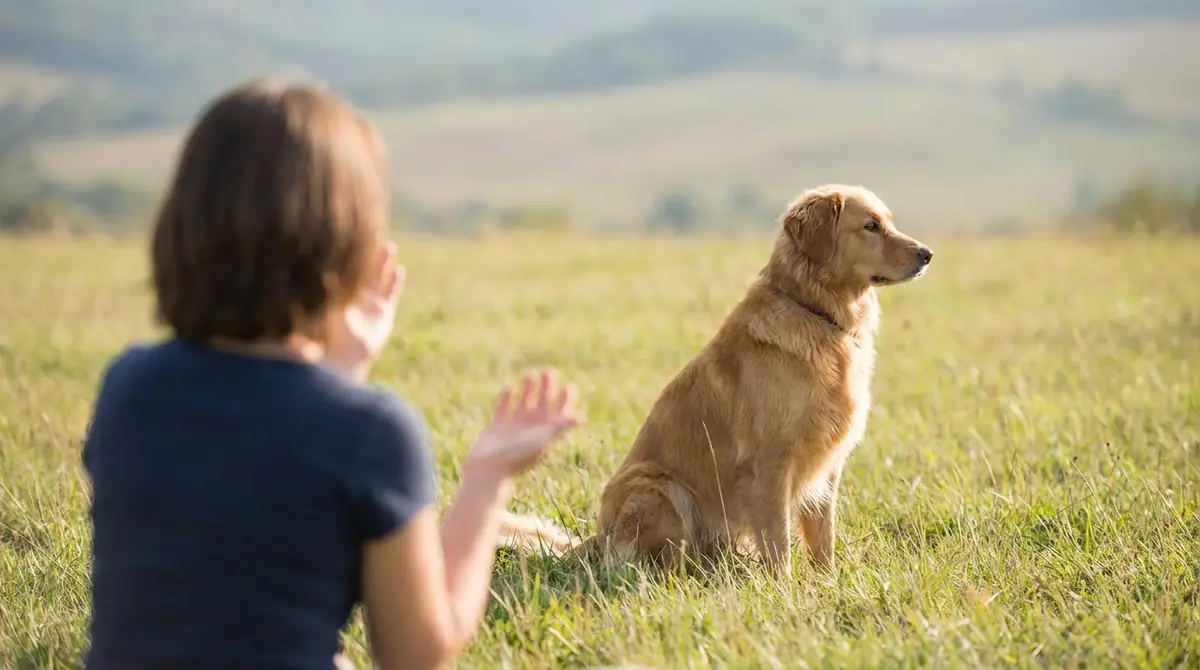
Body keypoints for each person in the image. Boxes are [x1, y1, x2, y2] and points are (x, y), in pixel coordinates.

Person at [80, 77, 583, 670]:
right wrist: (487, 478)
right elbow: (417, 654)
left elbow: (238, 521)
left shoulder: (129, 388)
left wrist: (341, 374)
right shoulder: (370, 433)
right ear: (344, 246)